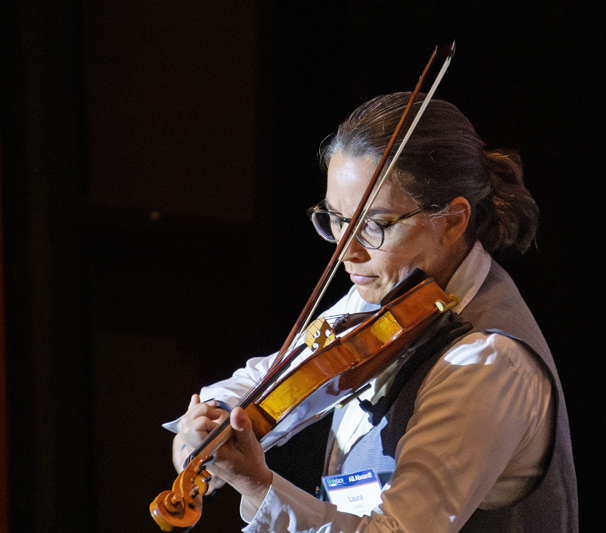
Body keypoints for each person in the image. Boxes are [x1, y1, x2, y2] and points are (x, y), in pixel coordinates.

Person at [170, 92, 578, 532]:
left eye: (373, 224)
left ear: (454, 220)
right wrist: (210, 421)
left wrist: (257, 487)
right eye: (336, 218)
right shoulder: (386, 292)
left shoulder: (486, 361)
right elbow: (272, 378)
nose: (347, 250)